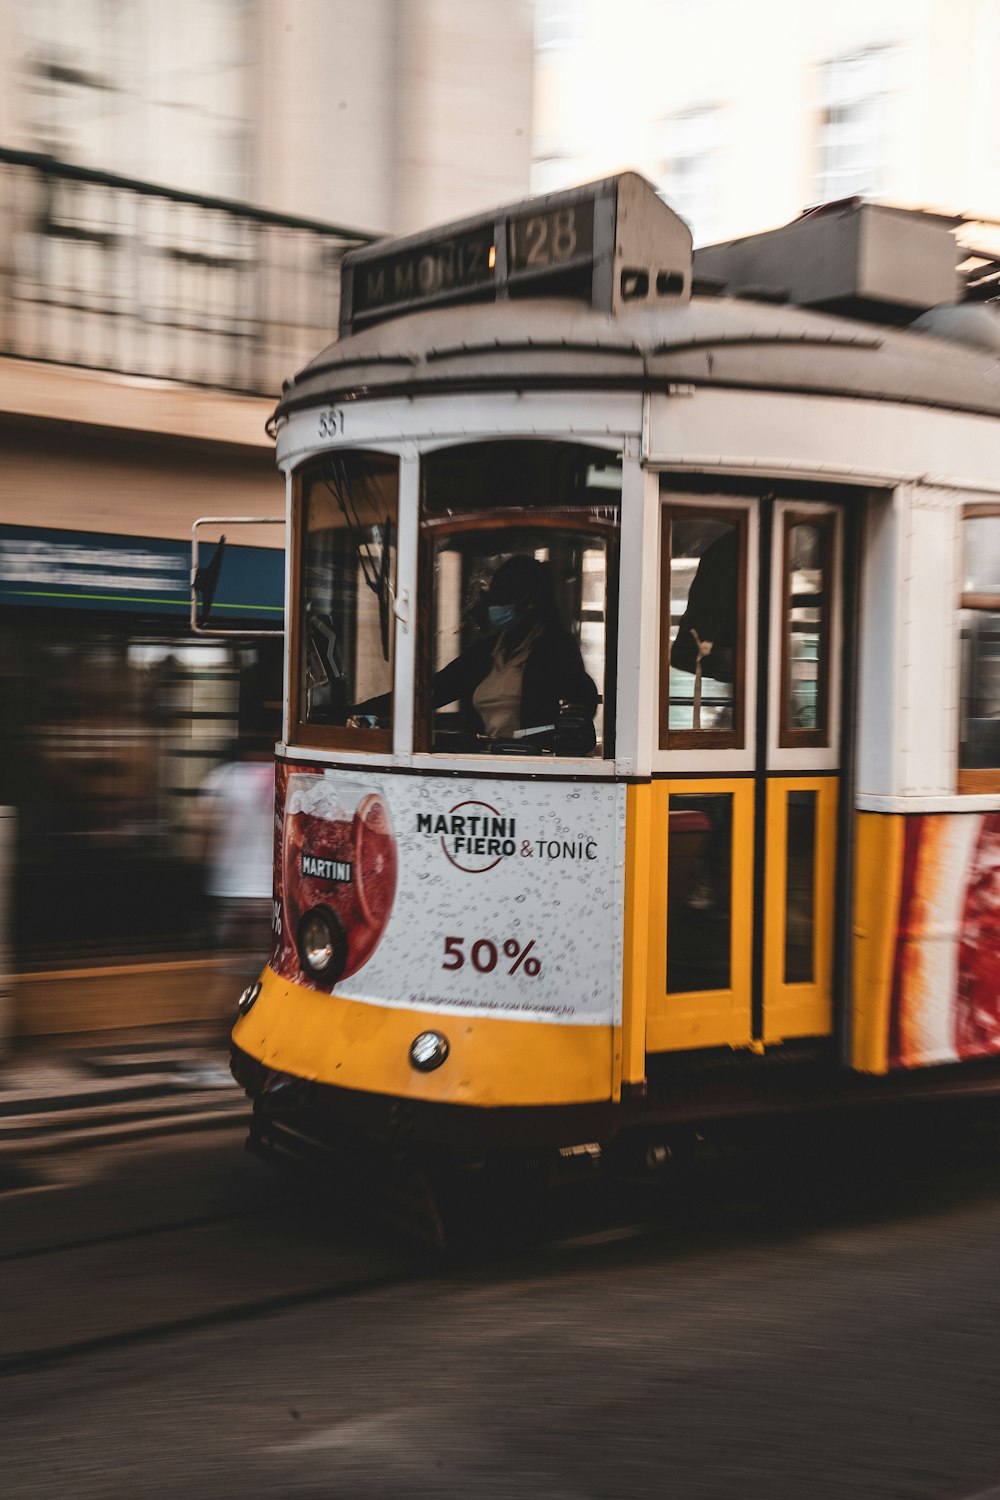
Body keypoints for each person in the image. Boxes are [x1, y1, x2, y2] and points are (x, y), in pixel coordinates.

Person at [358, 554, 599, 753]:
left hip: (533, 767)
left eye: (503, 600)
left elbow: (576, 713)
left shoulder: (557, 652)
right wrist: (357, 712)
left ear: (530, 604)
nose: (494, 608)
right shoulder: (487, 652)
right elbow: (433, 691)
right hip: (482, 761)